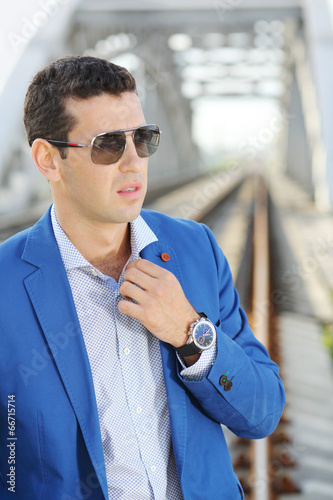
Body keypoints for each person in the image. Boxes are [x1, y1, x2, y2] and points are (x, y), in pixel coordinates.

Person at [0, 56, 285, 500]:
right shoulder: (6, 285)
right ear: (48, 159)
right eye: (108, 144)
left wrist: (191, 334)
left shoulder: (196, 250)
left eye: (143, 139)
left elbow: (262, 411)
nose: (134, 163)